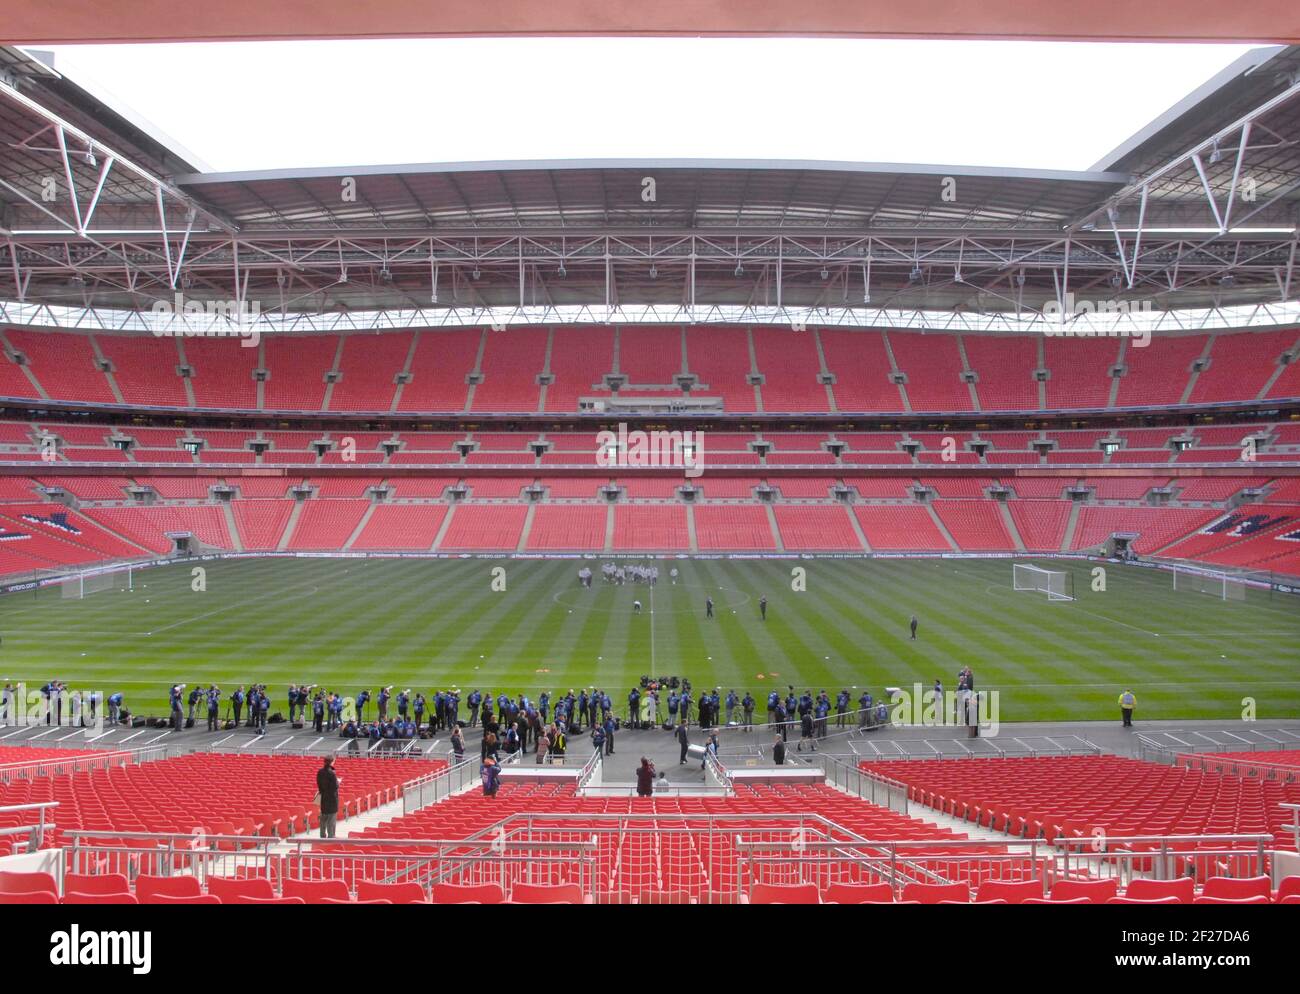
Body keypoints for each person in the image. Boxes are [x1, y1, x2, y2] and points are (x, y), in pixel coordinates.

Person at [316, 756, 340, 839]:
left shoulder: (320, 772)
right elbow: (335, 786)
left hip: (324, 797)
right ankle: (331, 836)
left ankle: (322, 835)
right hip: (332, 798)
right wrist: (338, 782)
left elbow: (318, 784)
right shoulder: (331, 773)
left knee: (323, 817)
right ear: (332, 762)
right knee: (331, 818)